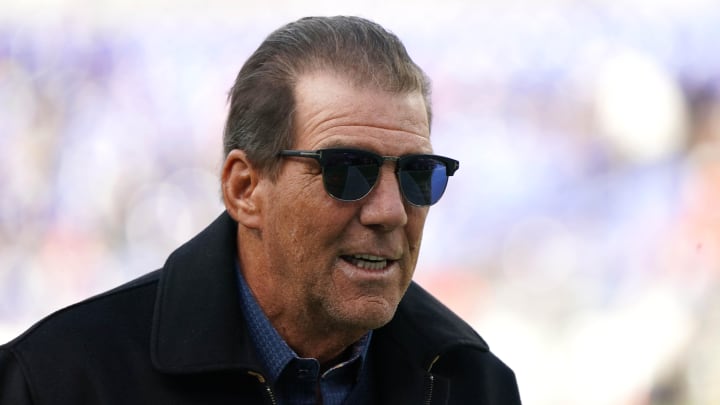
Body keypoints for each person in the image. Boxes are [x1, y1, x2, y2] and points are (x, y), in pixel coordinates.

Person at [0, 16, 521, 404]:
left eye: (416, 175)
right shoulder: (60, 381)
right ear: (245, 189)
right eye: (346, 171)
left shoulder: (473, 384)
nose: (390, 212)